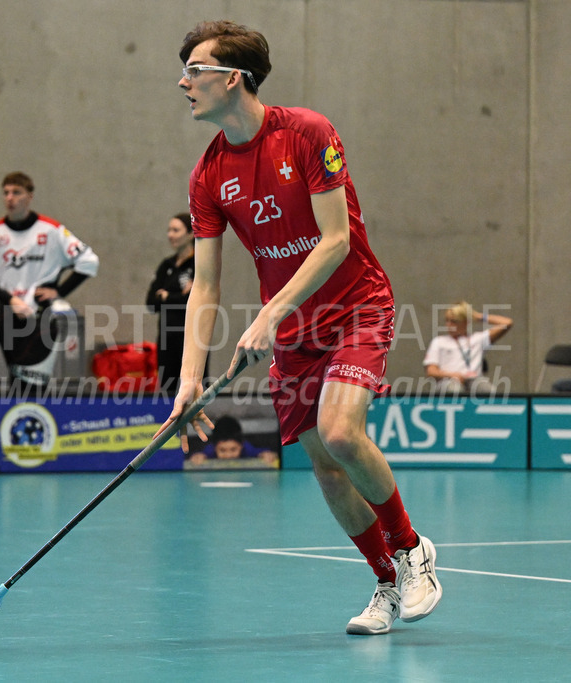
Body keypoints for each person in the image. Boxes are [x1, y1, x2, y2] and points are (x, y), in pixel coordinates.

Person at [164, 20, 442, 636]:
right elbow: (204, 286)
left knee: (340, 432)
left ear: (233, 78)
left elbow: (336, 240)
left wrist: (269, 312)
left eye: (195, 69)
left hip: (356, 307)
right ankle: (386, 581)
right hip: (294, 330)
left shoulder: (307, 132)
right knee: (323, 465)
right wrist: (189, 381)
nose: (184, 81)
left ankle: (412, 549)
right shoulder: (208, 176)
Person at [0, 172, 99, 390]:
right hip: (4, 312)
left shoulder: (52, 230)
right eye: (6, 193)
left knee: (27, 392)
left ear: (30, 196)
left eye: (16, 192)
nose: (10, 198)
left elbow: (89, 261)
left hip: (38, 317)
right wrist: (12, 301)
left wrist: (59, 291)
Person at [146, 212, 201, 395]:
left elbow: (196, 300)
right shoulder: (166, 265)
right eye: (169, 230)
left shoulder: (199, 264)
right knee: (167, 389)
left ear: (191, 233)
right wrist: (179, 295)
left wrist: (167, 296)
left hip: (191, 337)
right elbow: (151, 303)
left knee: (194, 388)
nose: (170, 234)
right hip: (166, 336)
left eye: (176, 230)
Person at [423, 302, 513, 395]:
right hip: (448, 380)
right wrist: (452, 375)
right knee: (455, 389)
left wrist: (477, 316)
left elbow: (507, 323)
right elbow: (431, 371)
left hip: (473, 380)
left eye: (454, 321)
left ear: (465, 323)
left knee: (488, 390)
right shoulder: (439, 341)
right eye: (447, 321)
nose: (449, 325)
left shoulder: (477, 339)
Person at [187, 415, 278, 467]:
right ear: (214, 447)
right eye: (222, 450)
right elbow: (200, 456)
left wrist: (268, 455)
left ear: (241, 445)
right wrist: (197, 457)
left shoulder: (247, 449)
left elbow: (264, 453)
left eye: (233, 449)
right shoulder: (210, 450)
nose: (228, 455)